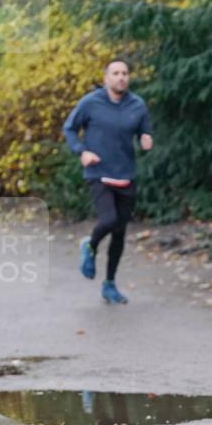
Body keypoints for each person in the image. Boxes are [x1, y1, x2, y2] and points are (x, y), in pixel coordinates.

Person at [63, 58, 153, 304]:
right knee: (109, 220)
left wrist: (146, 138)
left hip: (126, 174)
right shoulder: (90, 103)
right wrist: (81, 151)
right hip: (98, 172)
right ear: (106, 78)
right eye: (115, 73)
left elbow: (145, 130)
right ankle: (89, 245)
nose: (121, 77)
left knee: (119, 232)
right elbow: (69, 128)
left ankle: (109, 284)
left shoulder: (137, 105)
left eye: (124, 73)